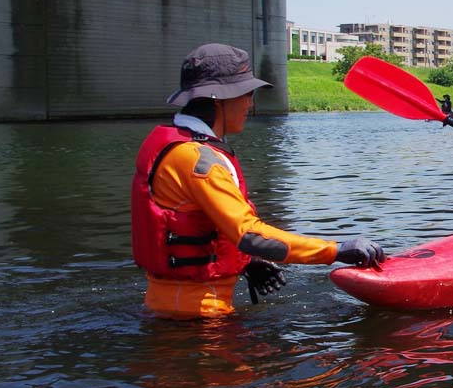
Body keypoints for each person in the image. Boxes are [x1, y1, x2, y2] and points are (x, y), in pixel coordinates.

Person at [131, 43, 385, 319]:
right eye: (247, 94)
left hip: (173, 308)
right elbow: (250, 235)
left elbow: (202, 222)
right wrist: (336, 250)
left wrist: (245, 262)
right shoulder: (199, 159)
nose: (250, 104)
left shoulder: (176, 144)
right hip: (197, 319)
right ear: (220, 100)